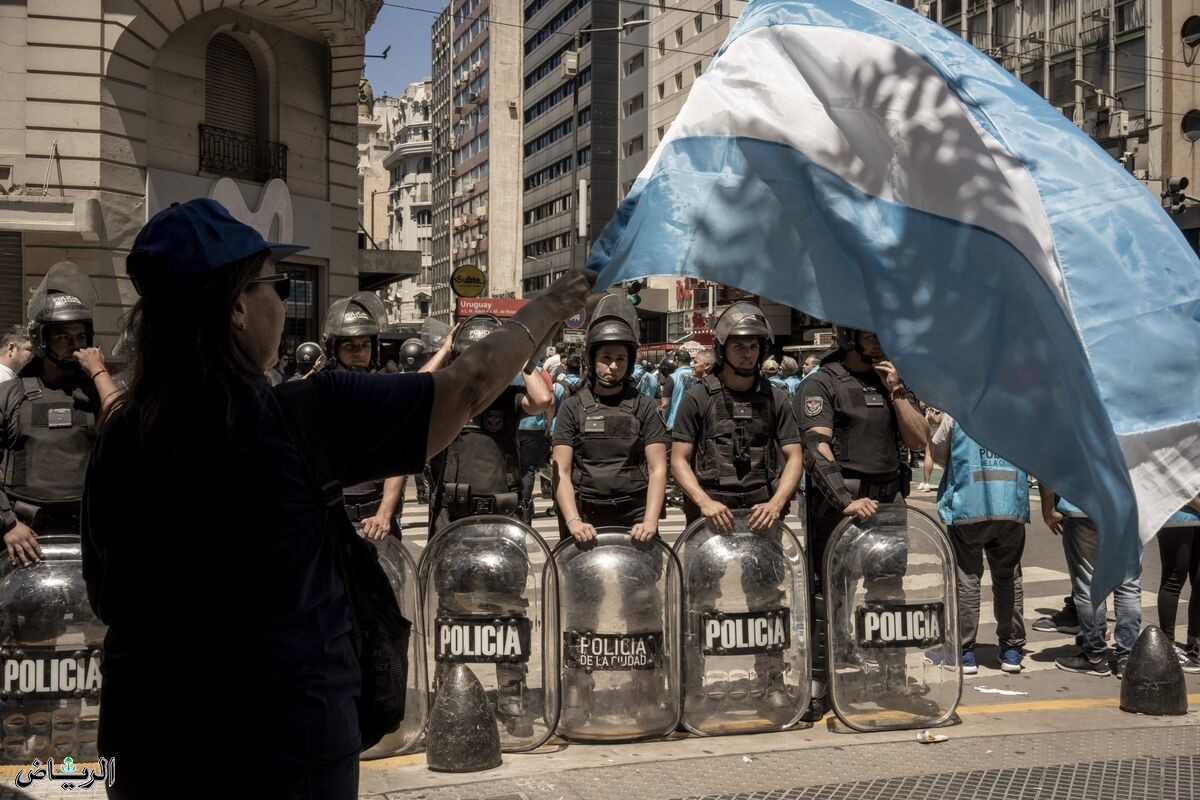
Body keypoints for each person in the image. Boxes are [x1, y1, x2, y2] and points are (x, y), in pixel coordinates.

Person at [79, 198, 590, 797]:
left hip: (151, 743)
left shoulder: (121, 438)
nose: (284, 300)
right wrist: (550, 306)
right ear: (238, 308)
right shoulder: (299, 413)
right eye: (279, 283)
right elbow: (467, 387)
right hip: (284, 741)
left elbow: (104, 592)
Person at [670, 301, 803, 705]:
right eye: (740, 345)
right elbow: (678, 458)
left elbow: (795, 455)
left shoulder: (776, 397)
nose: (748, 352)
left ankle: (772, 680)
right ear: (723, 346)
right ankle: (694, 682)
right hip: (710, 517)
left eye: (754, 345)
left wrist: (777, 503)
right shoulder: (697, 397)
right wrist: (704, 502)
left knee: (767, 599)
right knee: (699, 601)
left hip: (761, 515)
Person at [797, 327, 928, 719]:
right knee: (827, 591)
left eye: (881, 334)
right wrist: (845, 501)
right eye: (869, 335)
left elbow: (920, 440)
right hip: (842, 500)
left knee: (889, 594)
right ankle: (819, 682)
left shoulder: (895, 381)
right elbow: (816, 448)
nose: (878, 342)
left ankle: (893, 679)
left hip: (889, 499)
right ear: (847, 336)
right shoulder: (821, 382)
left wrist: (897, 392)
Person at [1, 263, 120, 568]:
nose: (74, 346)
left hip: (87, 536)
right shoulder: (11, 394)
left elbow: (127, 432)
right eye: (63, 338)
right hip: (25, 536)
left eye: (80, 337)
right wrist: (8, 524)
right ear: (42, 340)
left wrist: (99, 373)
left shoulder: (98, 393)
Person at [552, 295, 669, 541]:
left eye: (620, 359)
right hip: (586, 514)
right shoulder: (572, 406)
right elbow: (561, 471)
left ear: (629, 363)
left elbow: (657, 468)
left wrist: (650, 521)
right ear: (592, 359)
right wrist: (573, 521)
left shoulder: (645, 406)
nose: (613, 366)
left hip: (635, 514)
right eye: (606, 358)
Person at [426, 314, 554, 532]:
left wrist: (520, 356)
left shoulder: (507, 397)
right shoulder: (446, 396)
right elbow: (414, 393)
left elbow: (542, 399)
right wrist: (444, 350)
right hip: (454, 512)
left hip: (501, 510)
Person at [928, 413, 1028, 674]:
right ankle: (1012, 649)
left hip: (968, 507)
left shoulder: (957, 412)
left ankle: (965, 652)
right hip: (1010, 506)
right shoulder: (1021, 411)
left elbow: (938, 454)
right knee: (1008, 578)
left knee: (967, 580)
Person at [1040, 485, 1142, 678]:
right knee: (1127, 583)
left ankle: (1095, 655)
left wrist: (1048, 510)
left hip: (1082, 507)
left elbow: (1048, 465)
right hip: (1127, 507)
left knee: (1088, 585)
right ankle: (1127, 656)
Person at [1155, 497, 1200, 672]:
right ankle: (1168, 646)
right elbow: (1180, 486)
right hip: (1175, 515)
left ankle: (1194, 642)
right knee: (1174, 578)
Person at [664, 349, 693, 430]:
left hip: (675, 422)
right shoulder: (697, 377)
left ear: (676, 359)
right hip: (693, 422)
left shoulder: (672, 377)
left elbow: (665, 404)